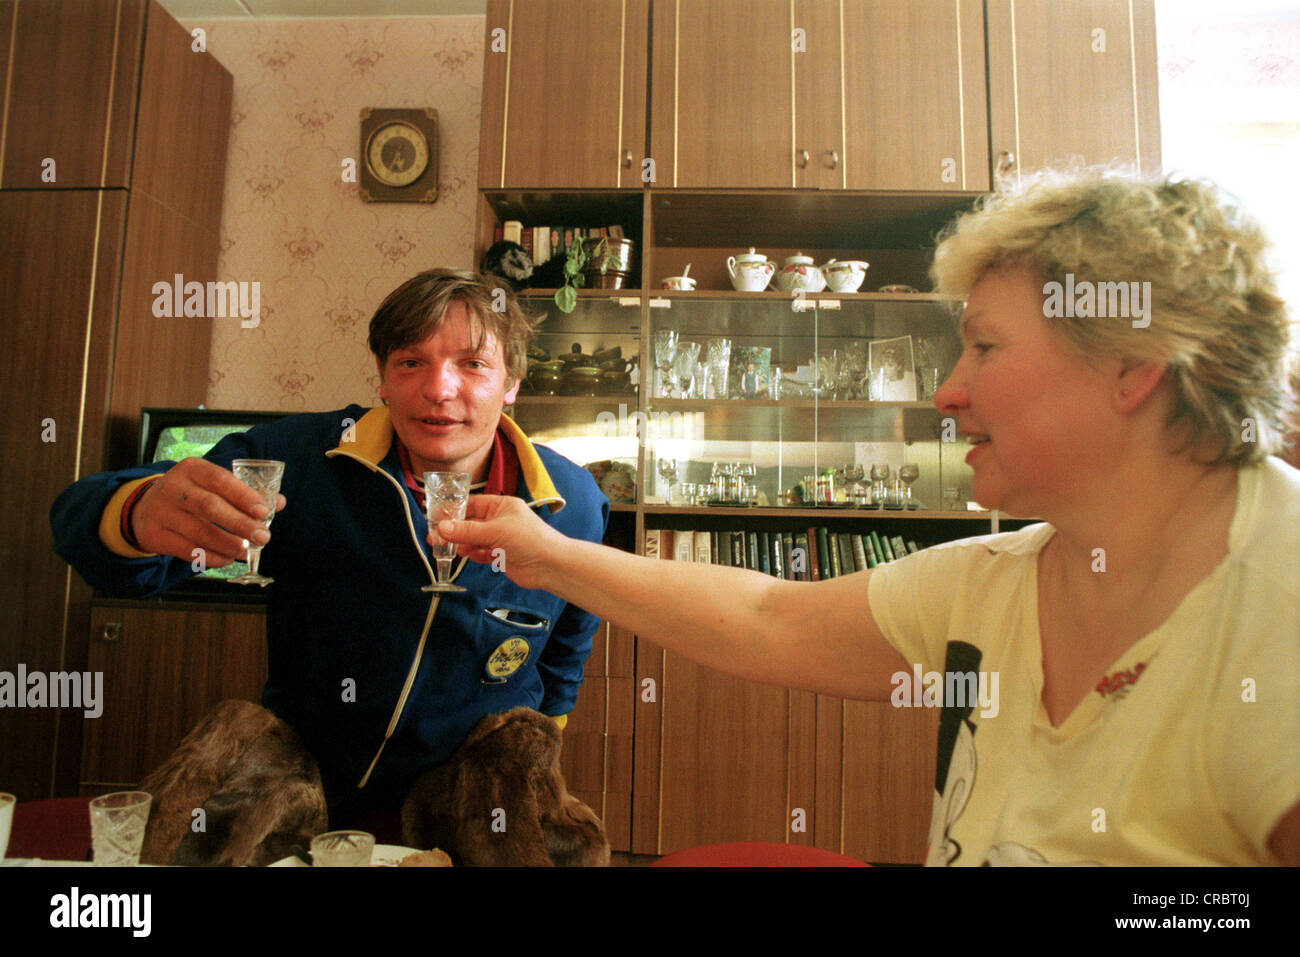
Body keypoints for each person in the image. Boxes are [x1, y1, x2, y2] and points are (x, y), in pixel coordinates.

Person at [438, 170, 1300, 866]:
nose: (946, 390)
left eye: (986, 346)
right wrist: (545, 554)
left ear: (1131, 361)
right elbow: (768, 617)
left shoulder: (1277, 605)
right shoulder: (998, 580)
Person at [50, 268, 609, 830]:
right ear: (382, 379)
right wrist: (137, 512)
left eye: (473, 363)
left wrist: (535, 755)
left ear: (512, 381)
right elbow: (80, 523)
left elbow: (566, 649)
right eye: (411, 362)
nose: (439, 390)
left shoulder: (574, 503)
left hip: (467, 809)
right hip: (299, 795)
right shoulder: (296, 456)